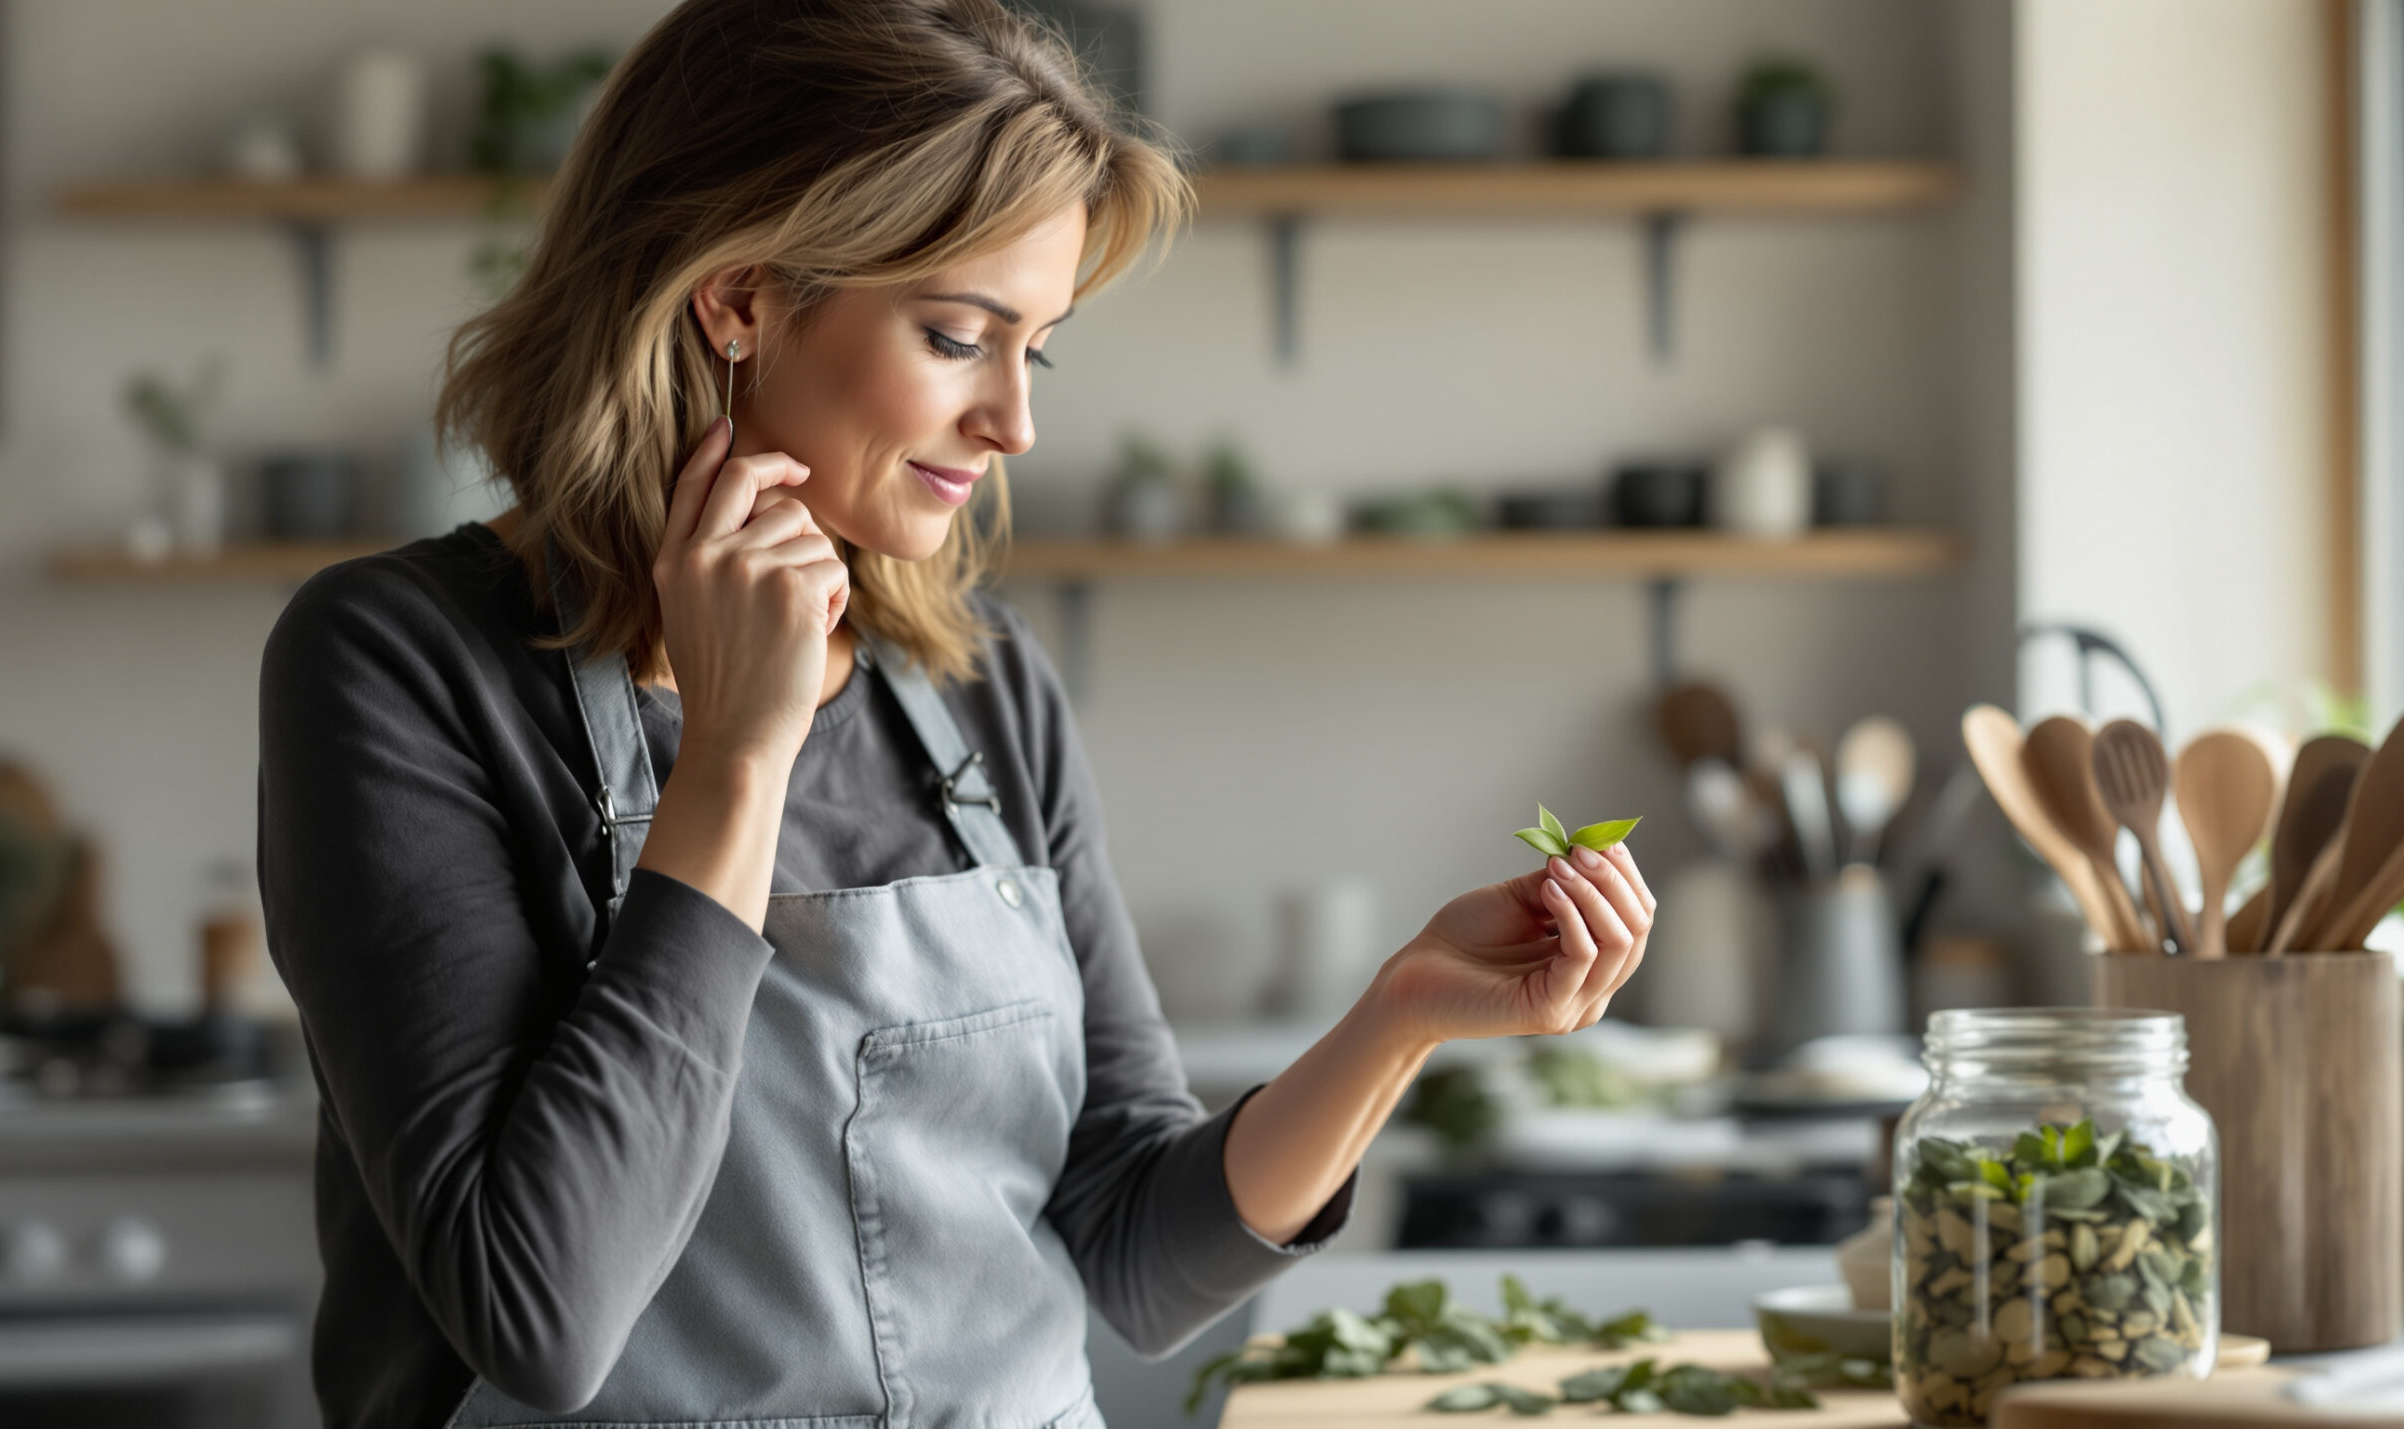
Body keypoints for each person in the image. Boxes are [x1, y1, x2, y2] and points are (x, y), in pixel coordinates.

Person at [256, 2, 1656, 1426]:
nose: (1014, 423)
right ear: (738, 299)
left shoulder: (982, 687)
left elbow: (1132, 1252)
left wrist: (1402, 1014)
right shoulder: (400, 664)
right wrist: (740, 755)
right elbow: (539, 1313)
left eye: (1033, 350)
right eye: (955, 335)